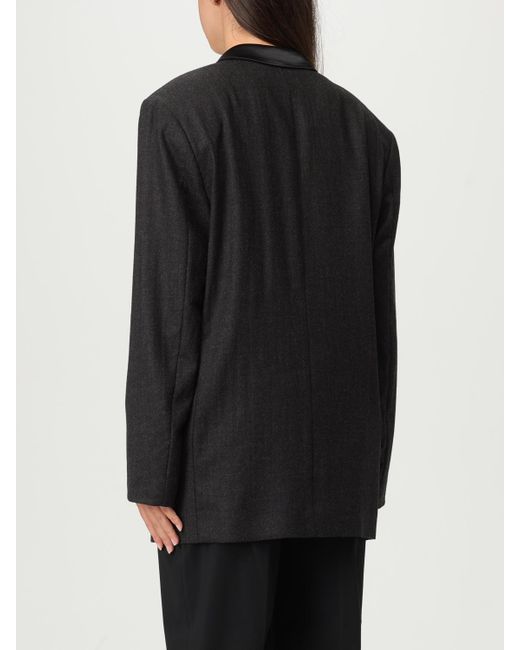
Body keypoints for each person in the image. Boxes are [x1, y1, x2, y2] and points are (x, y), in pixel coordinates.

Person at [125, 0, 401, 648]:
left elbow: (169, 306)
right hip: (336, 488)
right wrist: (367, 478)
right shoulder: (367, 134)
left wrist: (151, 471)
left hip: (220, 488)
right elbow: (378, 330)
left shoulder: (179, 114)